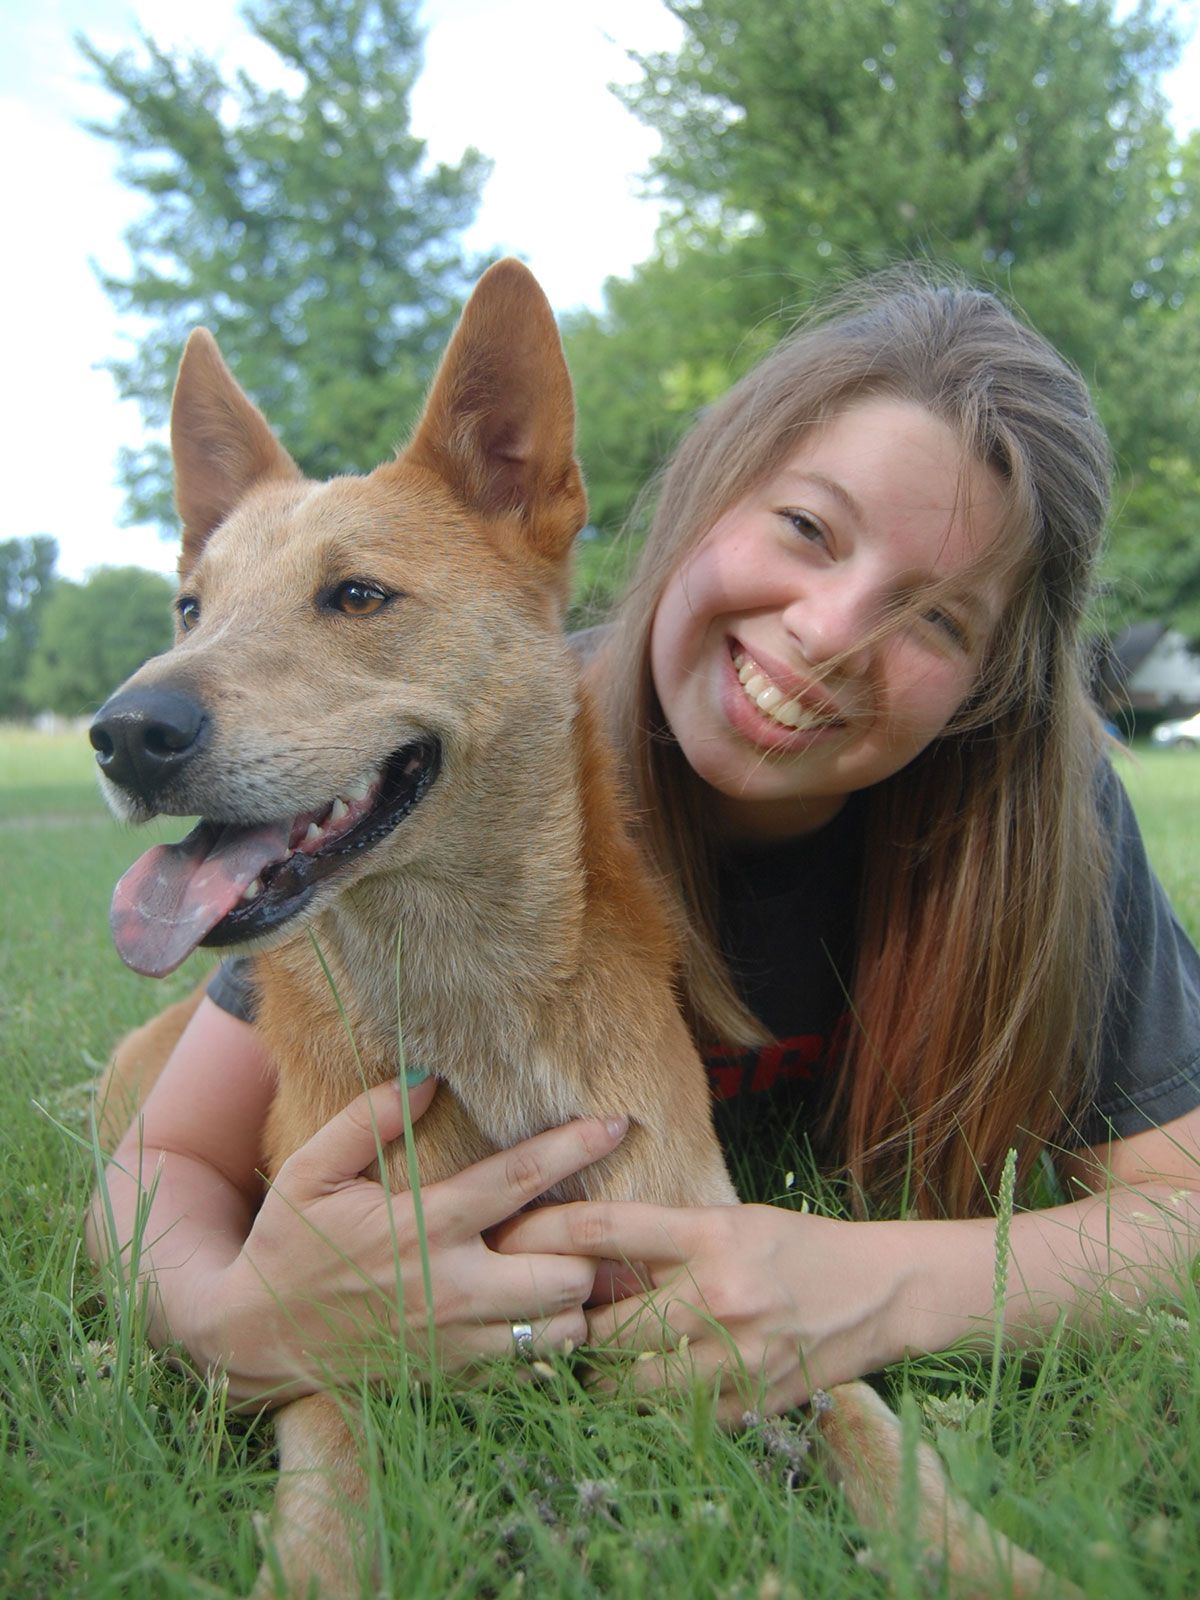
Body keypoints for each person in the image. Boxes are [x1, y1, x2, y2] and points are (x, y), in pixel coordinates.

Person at [87, 271, 1200, 1423]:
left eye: (936, 616)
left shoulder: (1037, 817)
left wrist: (877, 1284)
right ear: (709, 496)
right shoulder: (459, 766)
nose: (826, 632)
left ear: (990, 684)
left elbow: (1183, 1211)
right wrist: (235, 1322)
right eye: (808, 528)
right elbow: (168, 1161)